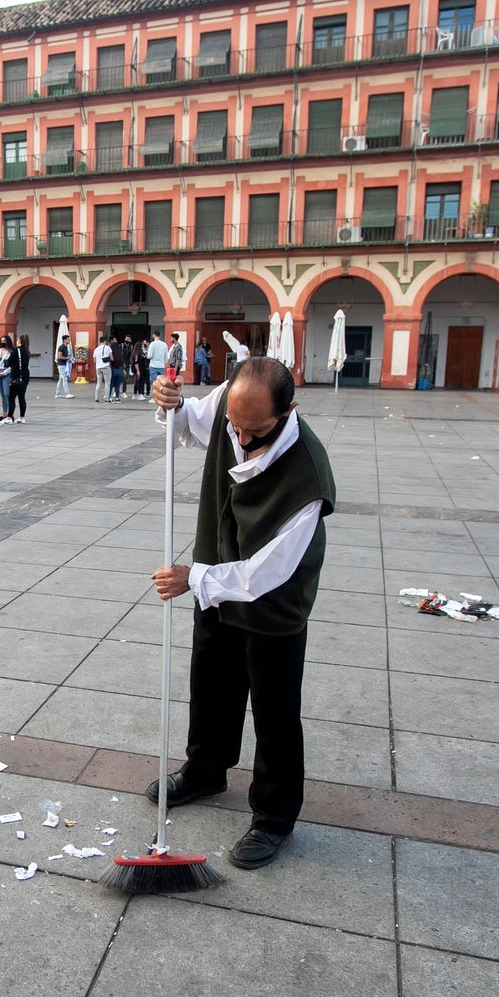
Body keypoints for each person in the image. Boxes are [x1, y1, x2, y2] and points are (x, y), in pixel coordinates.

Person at [148, 356, 336, 869]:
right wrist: (172, 404)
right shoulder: (233, 405)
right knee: (210, 685)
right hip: (217, 582)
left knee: (275, 712)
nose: (243, 437)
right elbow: (187, 423)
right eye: (236, 425)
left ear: (288, 411)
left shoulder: (309, 476)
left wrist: (196, 578)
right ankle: (206, 770)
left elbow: (265, 574)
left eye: (257, 431)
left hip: (273, 605)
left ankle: (274, 817)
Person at [8, 333, 31, 422]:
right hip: (25, 377)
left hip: (16, 376)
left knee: (11, 397)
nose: (16, 341)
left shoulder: (16, 350)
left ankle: (9, 417)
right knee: (21, 397)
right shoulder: (27, 351)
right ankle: (22, 417)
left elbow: (8, 362)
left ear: (20, 341)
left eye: (17, 340)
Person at [0, 335, 13, 419]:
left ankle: (10, 413)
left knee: (7, 394)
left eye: (4, 340)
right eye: (1, 340)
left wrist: (4, 373)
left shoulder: (11, 352)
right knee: (2, 395)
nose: (3, 342)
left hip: (6, 374)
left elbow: (11, 366)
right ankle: (4, 413)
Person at [93, 335, 113, 402]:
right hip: (106, 367)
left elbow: (94, 360)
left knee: (99, 383)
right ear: (105, 341)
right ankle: (107, 398)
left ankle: (96, 398)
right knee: (107, 383)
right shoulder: (108, 347)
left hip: (98, 368)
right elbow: (112, 358)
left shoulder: (96, 349)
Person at [55, 333, 74, 397]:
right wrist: (67, 358)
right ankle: (67, 393)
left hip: (64, 364)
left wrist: (69, 358)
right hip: (61, 365)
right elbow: (59, 356)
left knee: (60, 379)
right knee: (64, 378)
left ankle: (57, 393)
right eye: (68, 340)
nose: (69, 341)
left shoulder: (66, 347)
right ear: (64, 340)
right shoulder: (61, 347)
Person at [108, 336, 125, 403]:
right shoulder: (119, 349)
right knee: (117, 385)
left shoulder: (110, 348)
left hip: (113, 369)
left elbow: (110, 359)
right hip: (120, 369)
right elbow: (122, 360)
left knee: (111, 384)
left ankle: (109, 397)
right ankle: (117, 398)